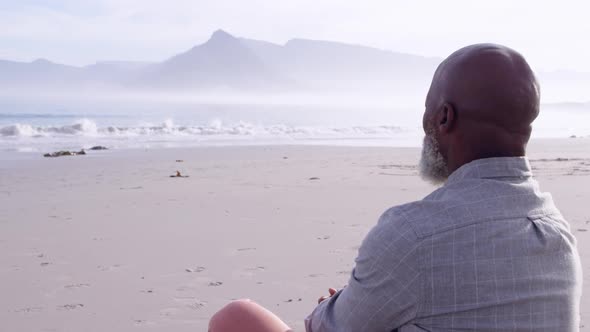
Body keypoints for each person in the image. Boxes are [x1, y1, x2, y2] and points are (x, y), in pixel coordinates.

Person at [208, 44, 583, 331]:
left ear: (444, 117)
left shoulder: (413, 235)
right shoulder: (557, 234)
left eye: (427, 112)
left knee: (236, 317)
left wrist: (337, 305)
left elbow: (324, 327)